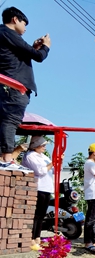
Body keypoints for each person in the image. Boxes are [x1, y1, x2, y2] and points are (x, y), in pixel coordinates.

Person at [0, 7, 50, 170]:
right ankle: (6, 158)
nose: (25, 28)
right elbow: (39, 57)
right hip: (15, 86)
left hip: (9, 84)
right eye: (24, 23)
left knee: (6, 120)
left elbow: (24, 54)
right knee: (10, 120)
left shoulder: (5, 36)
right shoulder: (7, 33)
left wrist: (33, 48)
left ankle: (4, 157)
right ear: (15, 19)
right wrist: (46, 47)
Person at [21, 135, 54, 250]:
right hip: (38, 187)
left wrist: (58, 161)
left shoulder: (44, 157)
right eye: (43, 145)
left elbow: (53, 170)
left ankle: (37, 237)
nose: (44, 147)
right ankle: (31, 238)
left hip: (47, 187)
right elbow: (41, 171)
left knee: (41, 215)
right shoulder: (30, 156)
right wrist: (53, 163)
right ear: (36, 146)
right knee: (35, 214)